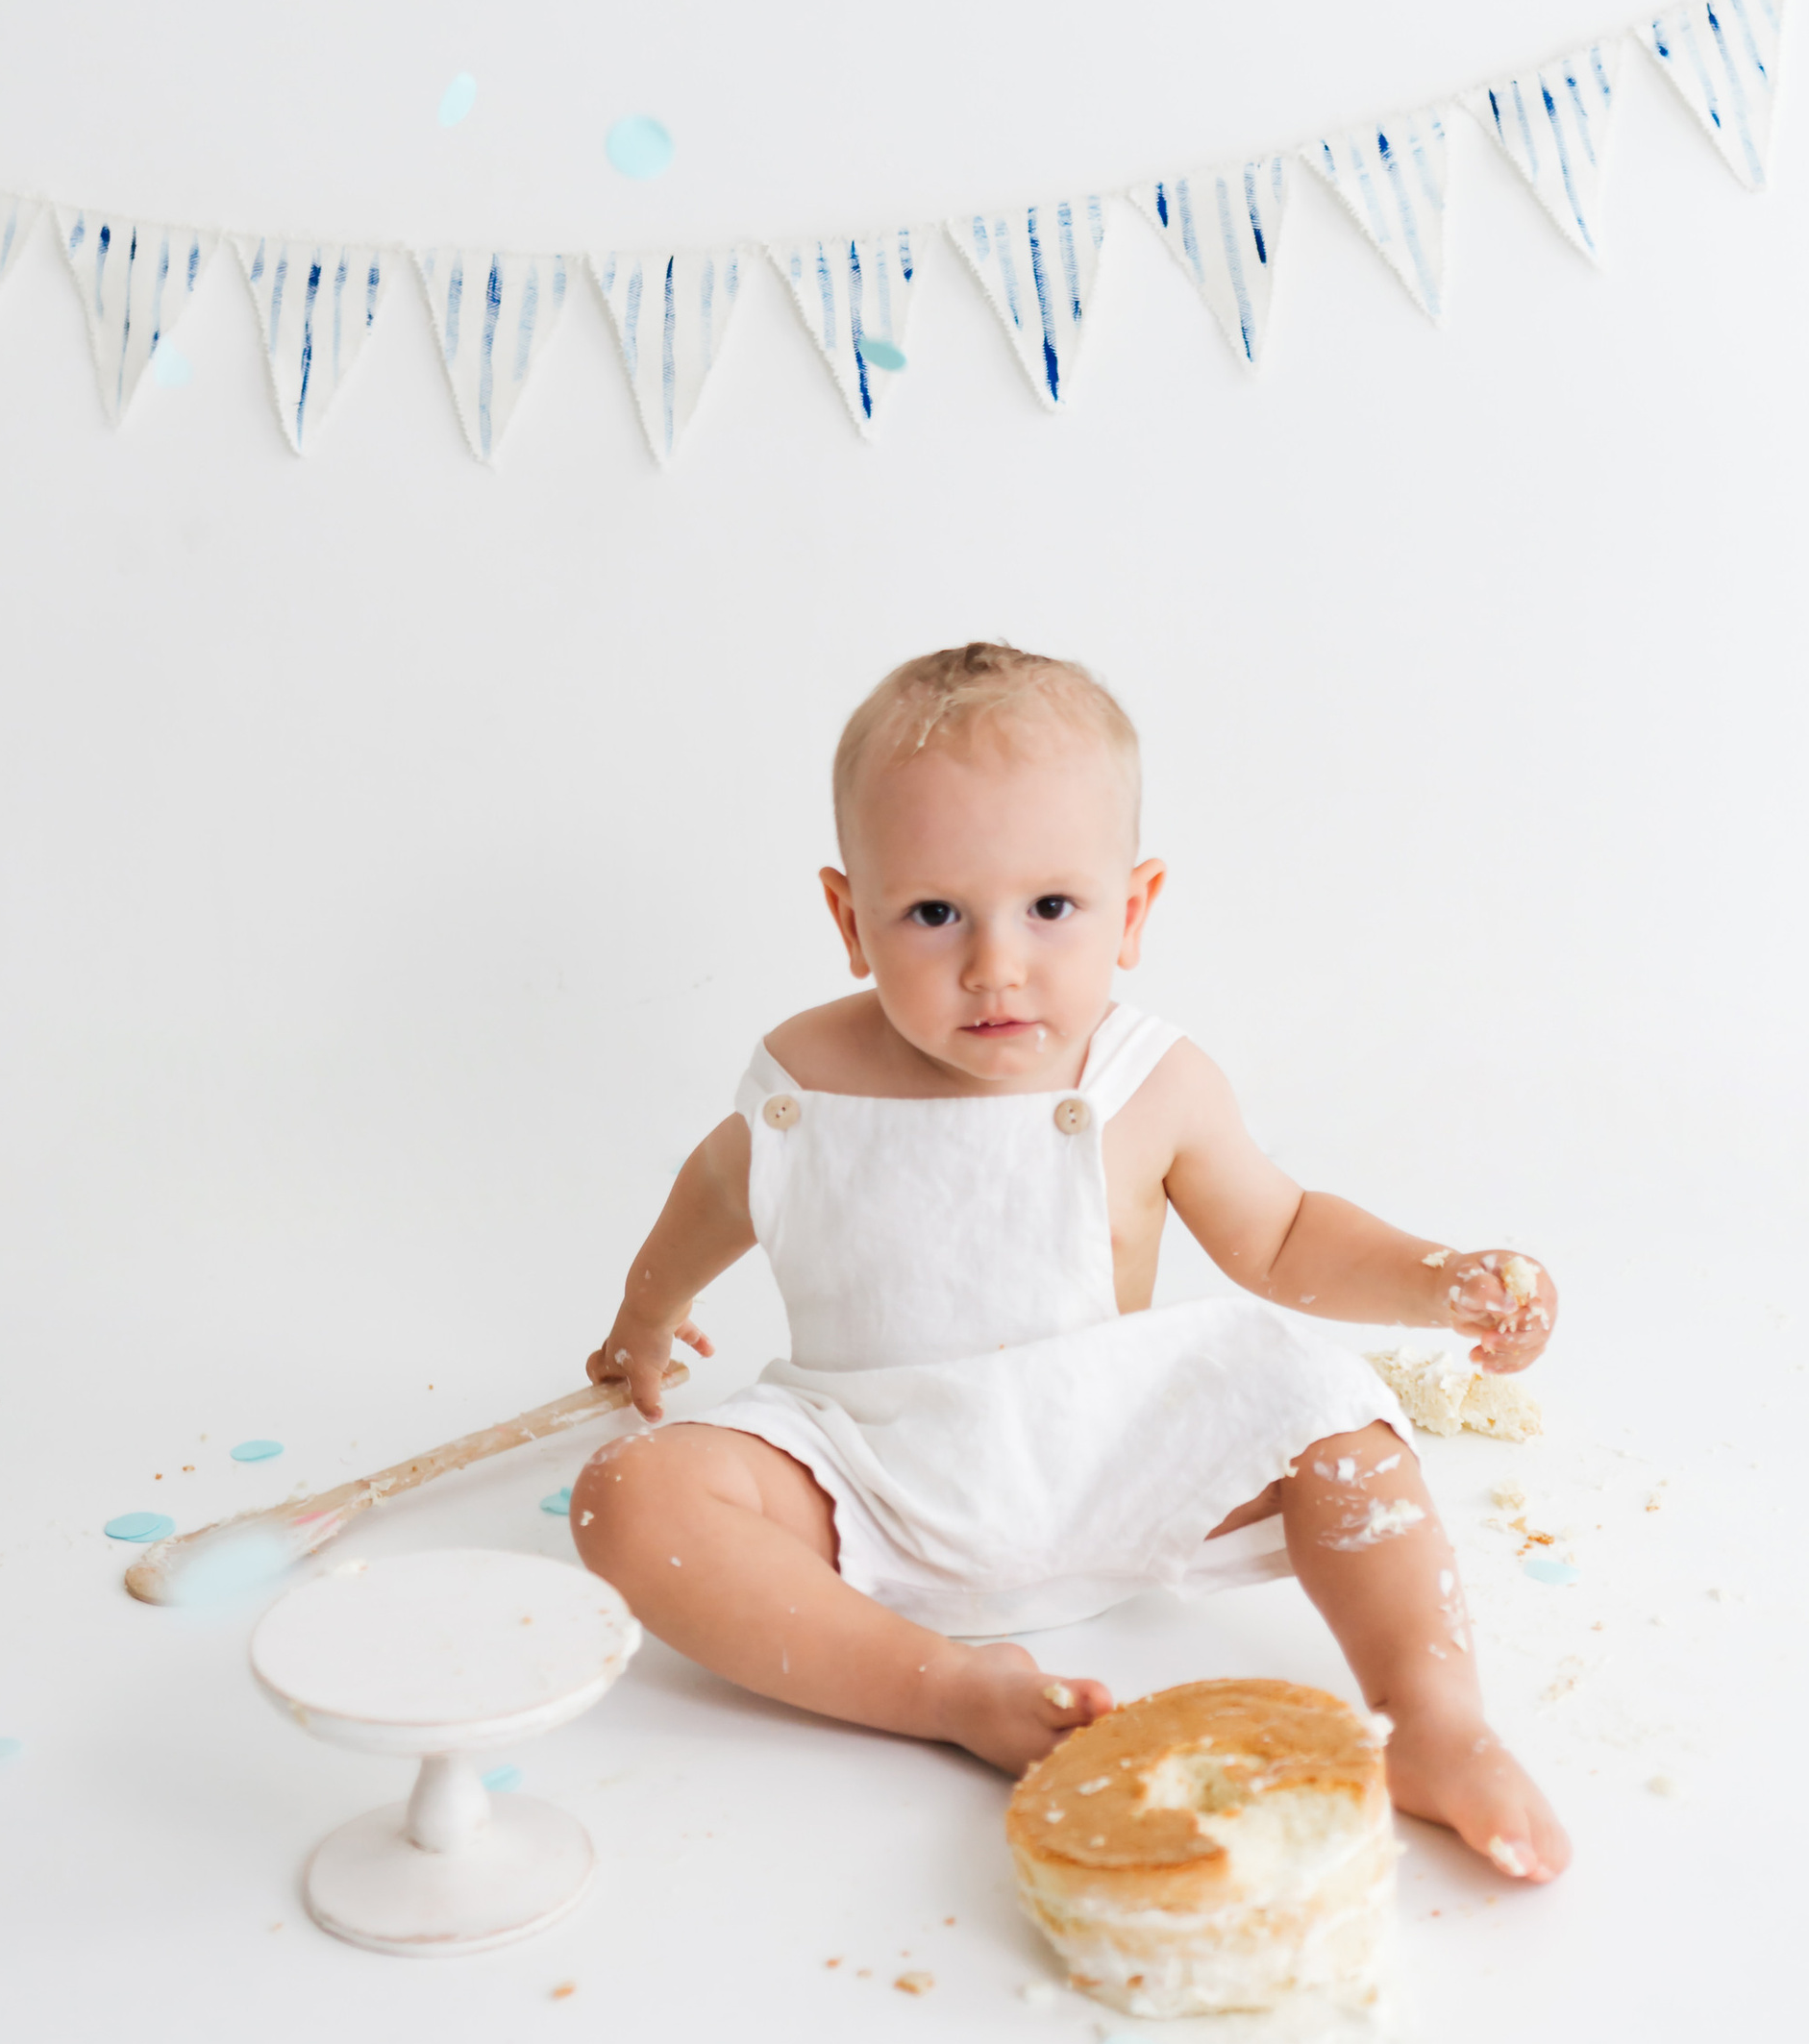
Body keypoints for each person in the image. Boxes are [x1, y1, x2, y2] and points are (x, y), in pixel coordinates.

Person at [574, 642, 1569, 1882]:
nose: (996, 965)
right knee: (632, 1499)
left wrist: (1437, 1279)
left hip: (1115, 1447)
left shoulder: (1148, 1080)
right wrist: (646, 1317)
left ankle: (1434, 1717)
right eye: (934, 914)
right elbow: (714, 1199)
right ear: (849, 919)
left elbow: (1286, 1234)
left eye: (1052, 909)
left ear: (1133, 910)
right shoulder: (803, 1087)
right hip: (869, 1468)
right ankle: (944, 1689)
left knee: (1345, 1430)